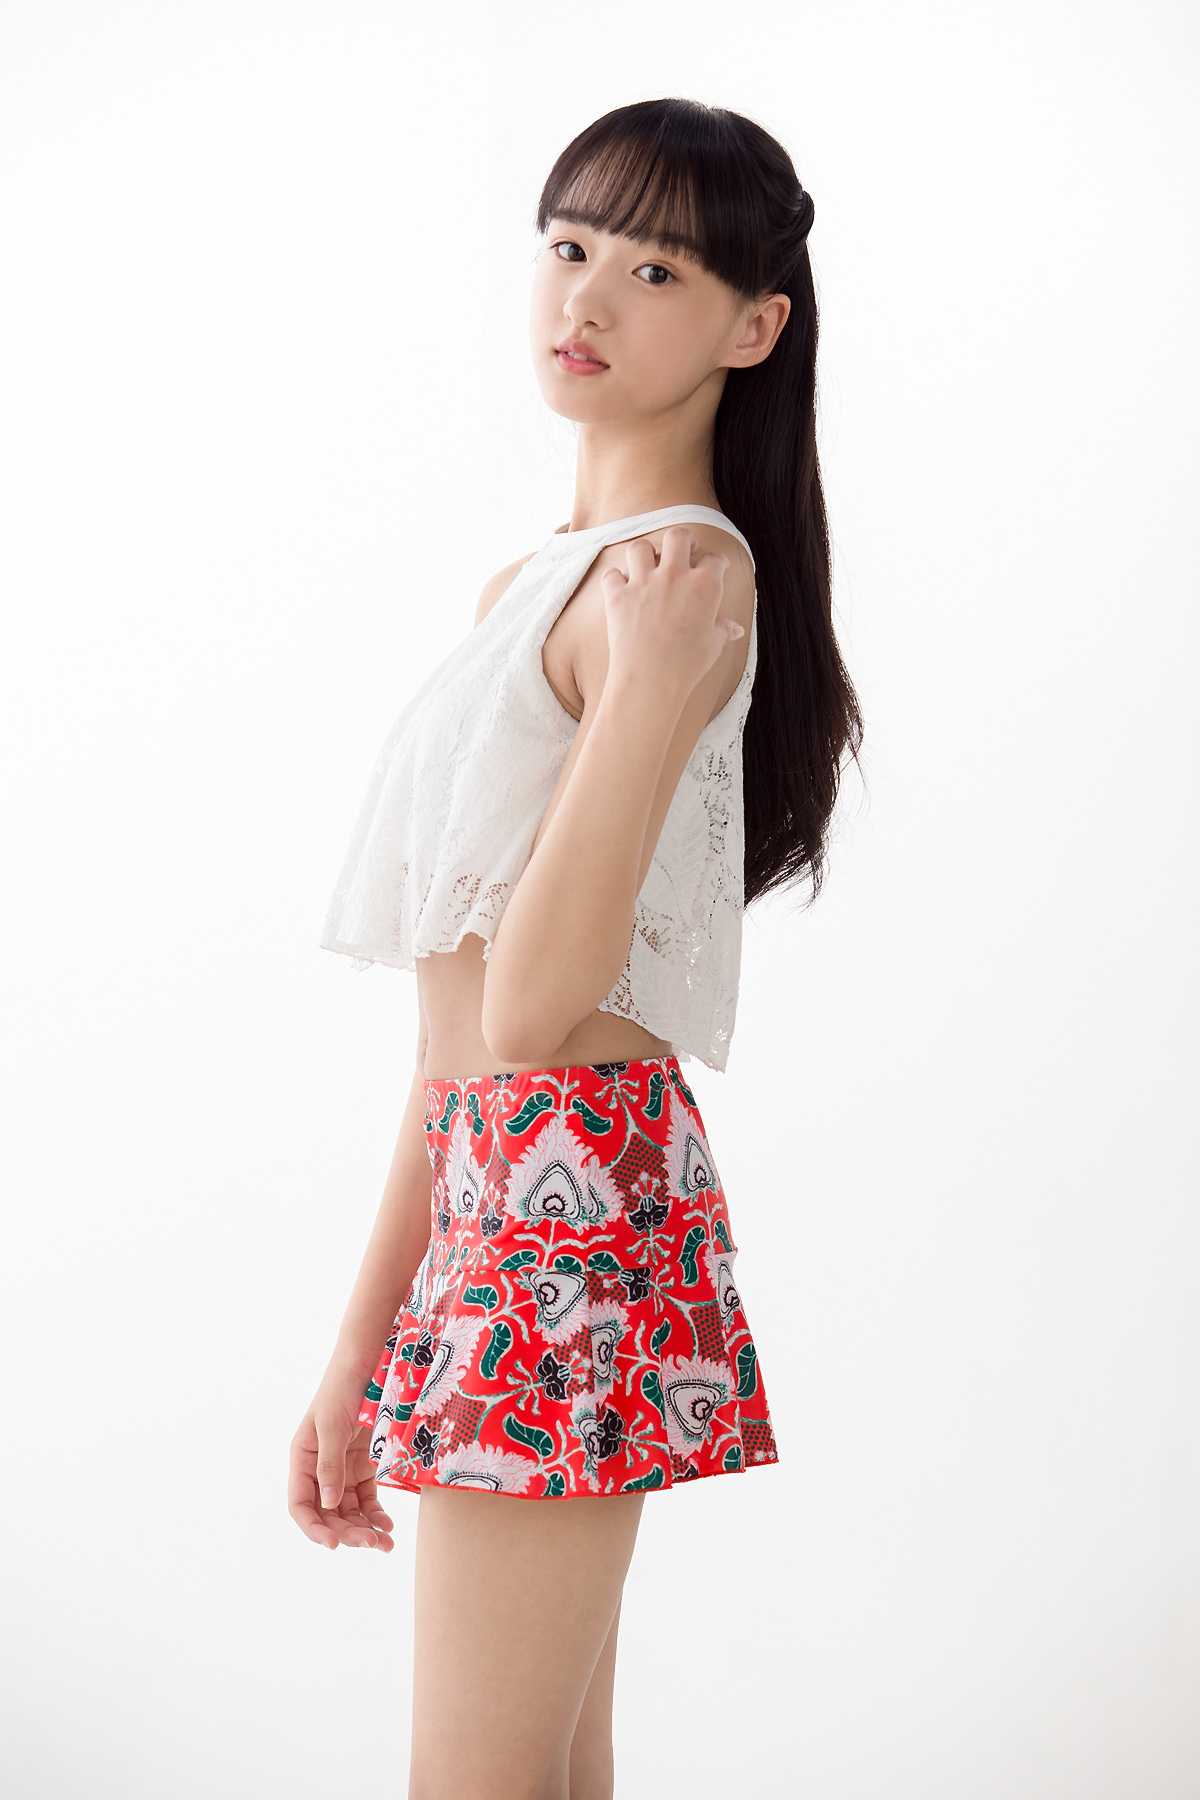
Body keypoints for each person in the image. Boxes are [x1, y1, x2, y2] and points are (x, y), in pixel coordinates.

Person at [288, 96, 862, 1800]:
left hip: (571, 1203)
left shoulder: (679, 584)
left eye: (656, 269)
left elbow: (536, 1016)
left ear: (754, 326)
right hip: (509, 1192)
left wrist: (652, 693)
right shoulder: (546, 586)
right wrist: (363, 1341)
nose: (588, 297)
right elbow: (452, 1041)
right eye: (569, 245)